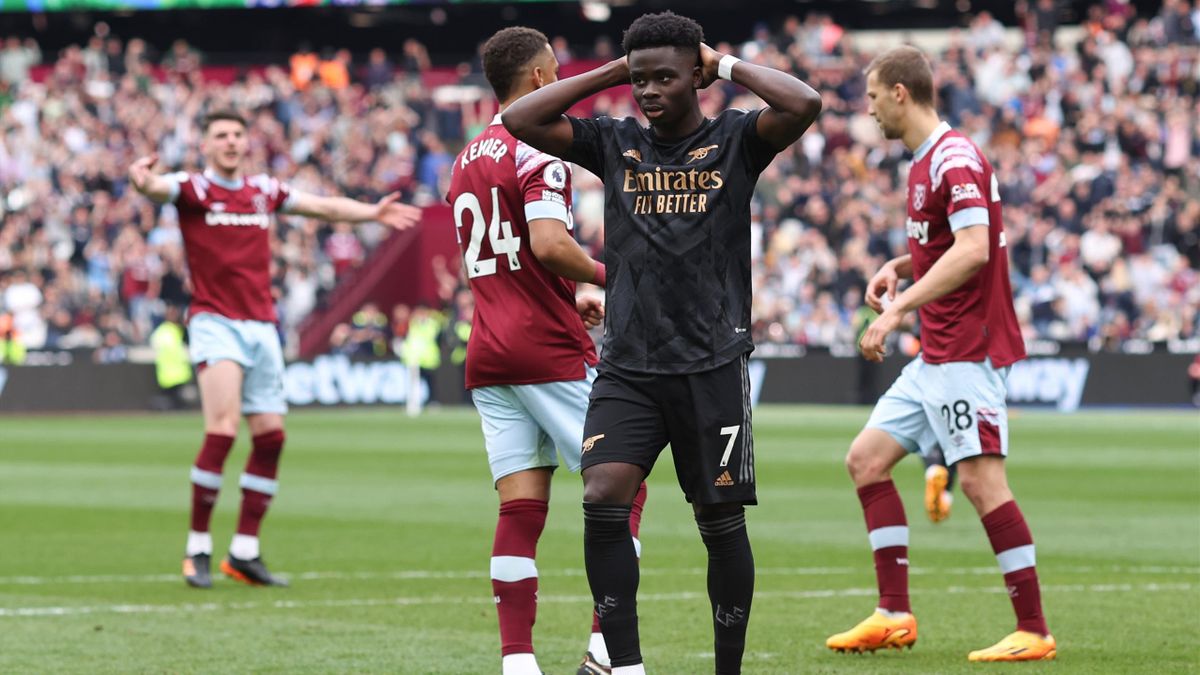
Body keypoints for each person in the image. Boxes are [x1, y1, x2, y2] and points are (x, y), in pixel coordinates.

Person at [503, 12, 821, 674]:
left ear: (695, 77)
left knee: (720, 522)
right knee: (602, 496)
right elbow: (519, 118)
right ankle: (626, 666)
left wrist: (724, 62)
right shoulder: (613, 141)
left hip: (712, 364)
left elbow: (804, 103)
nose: (649, 91)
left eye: (665, 78)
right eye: (640, 80)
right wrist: (616, 69)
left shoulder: (736, 139)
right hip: (629, 366)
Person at [826, 45, 1055, 662]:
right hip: (937, 354)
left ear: (900, 93)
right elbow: (949, 243)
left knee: (980, 483)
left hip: (967, 351)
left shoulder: (953, 158)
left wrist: (897, 310)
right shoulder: (927, 160)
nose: (868, 109)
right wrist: (899, 266)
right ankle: (893, 614)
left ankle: (1034, 629)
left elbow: (976, 248)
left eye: (873, 96)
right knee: (866, 460)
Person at [128, 110, 421, 589]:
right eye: (220, 135)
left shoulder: (262, 190)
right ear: (205, 145)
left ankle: (244, 551)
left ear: (247, 143)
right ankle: (197, 546)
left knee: (271, 437)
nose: (230, 141)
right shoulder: (193, 188)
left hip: (262, 325)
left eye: (236, 134)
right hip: (215, 322)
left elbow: (322, 207)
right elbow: (157, 188)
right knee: (223, 430)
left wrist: (371, 213)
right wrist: (142, 181)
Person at [448, 27, 650, 675]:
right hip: (546, 350)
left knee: (520, 506)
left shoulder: (466, 156)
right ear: (538, 79)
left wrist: (567, 295)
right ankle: (606, 650)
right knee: (625, 485)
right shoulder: (538, 148)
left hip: (490, 351)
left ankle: (517, 662)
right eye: (557, 73)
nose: (560, 82)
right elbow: (548, 245)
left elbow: (507, 259)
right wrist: (614, 277)